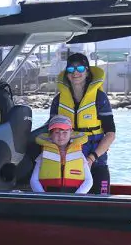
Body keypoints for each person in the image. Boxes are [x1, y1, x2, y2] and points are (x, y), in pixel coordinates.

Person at [49, 52, 116, 195]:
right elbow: (51, 131)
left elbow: (110, 133)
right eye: (71, 70)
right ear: (66, 74)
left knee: (102, 197)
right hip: (68, 161)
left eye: (80, 69)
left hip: (96, 160)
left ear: (87, 72)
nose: (75, 73)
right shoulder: (58, 100)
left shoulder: (100, 98)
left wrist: (92, 158)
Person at [30, 115, 93, 194]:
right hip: (49, 196)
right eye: (56, 132)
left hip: (74, 196)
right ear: (50, 134)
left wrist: (77, 196)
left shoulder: (79, 155)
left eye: (65, 132)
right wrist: (43, 196)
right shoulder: (44, 155)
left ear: (71, 133)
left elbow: (89, 180)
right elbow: (34, 180)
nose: (61, 136)